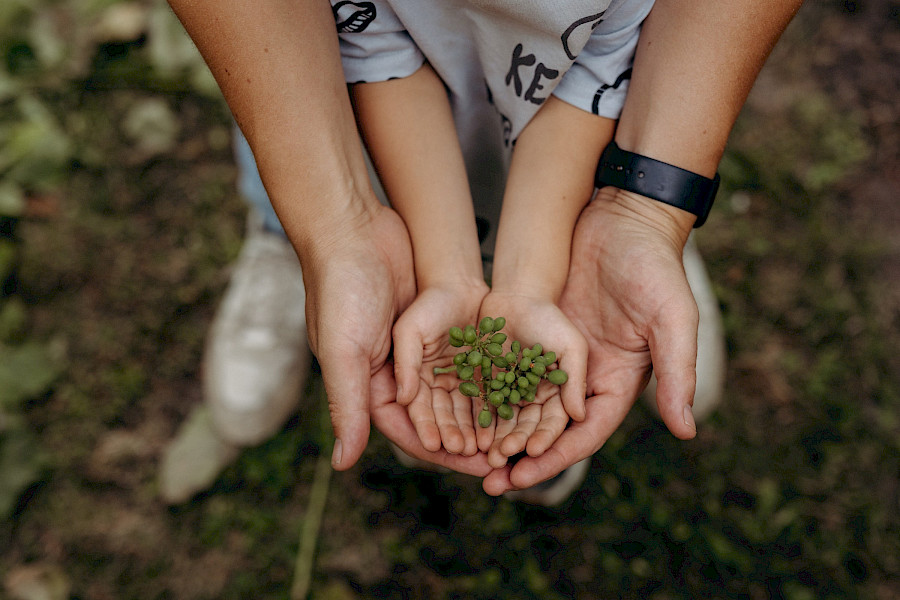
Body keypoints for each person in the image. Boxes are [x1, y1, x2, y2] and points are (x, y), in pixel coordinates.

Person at [159, 0, 802, 506]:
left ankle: (618, 224)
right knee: (303, 118)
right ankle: (288, 236)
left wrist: (640, 213)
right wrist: (346, 229)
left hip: (594, 83)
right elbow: (375, 45)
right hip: (333, 44)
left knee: (635, 123)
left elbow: (592, 73)